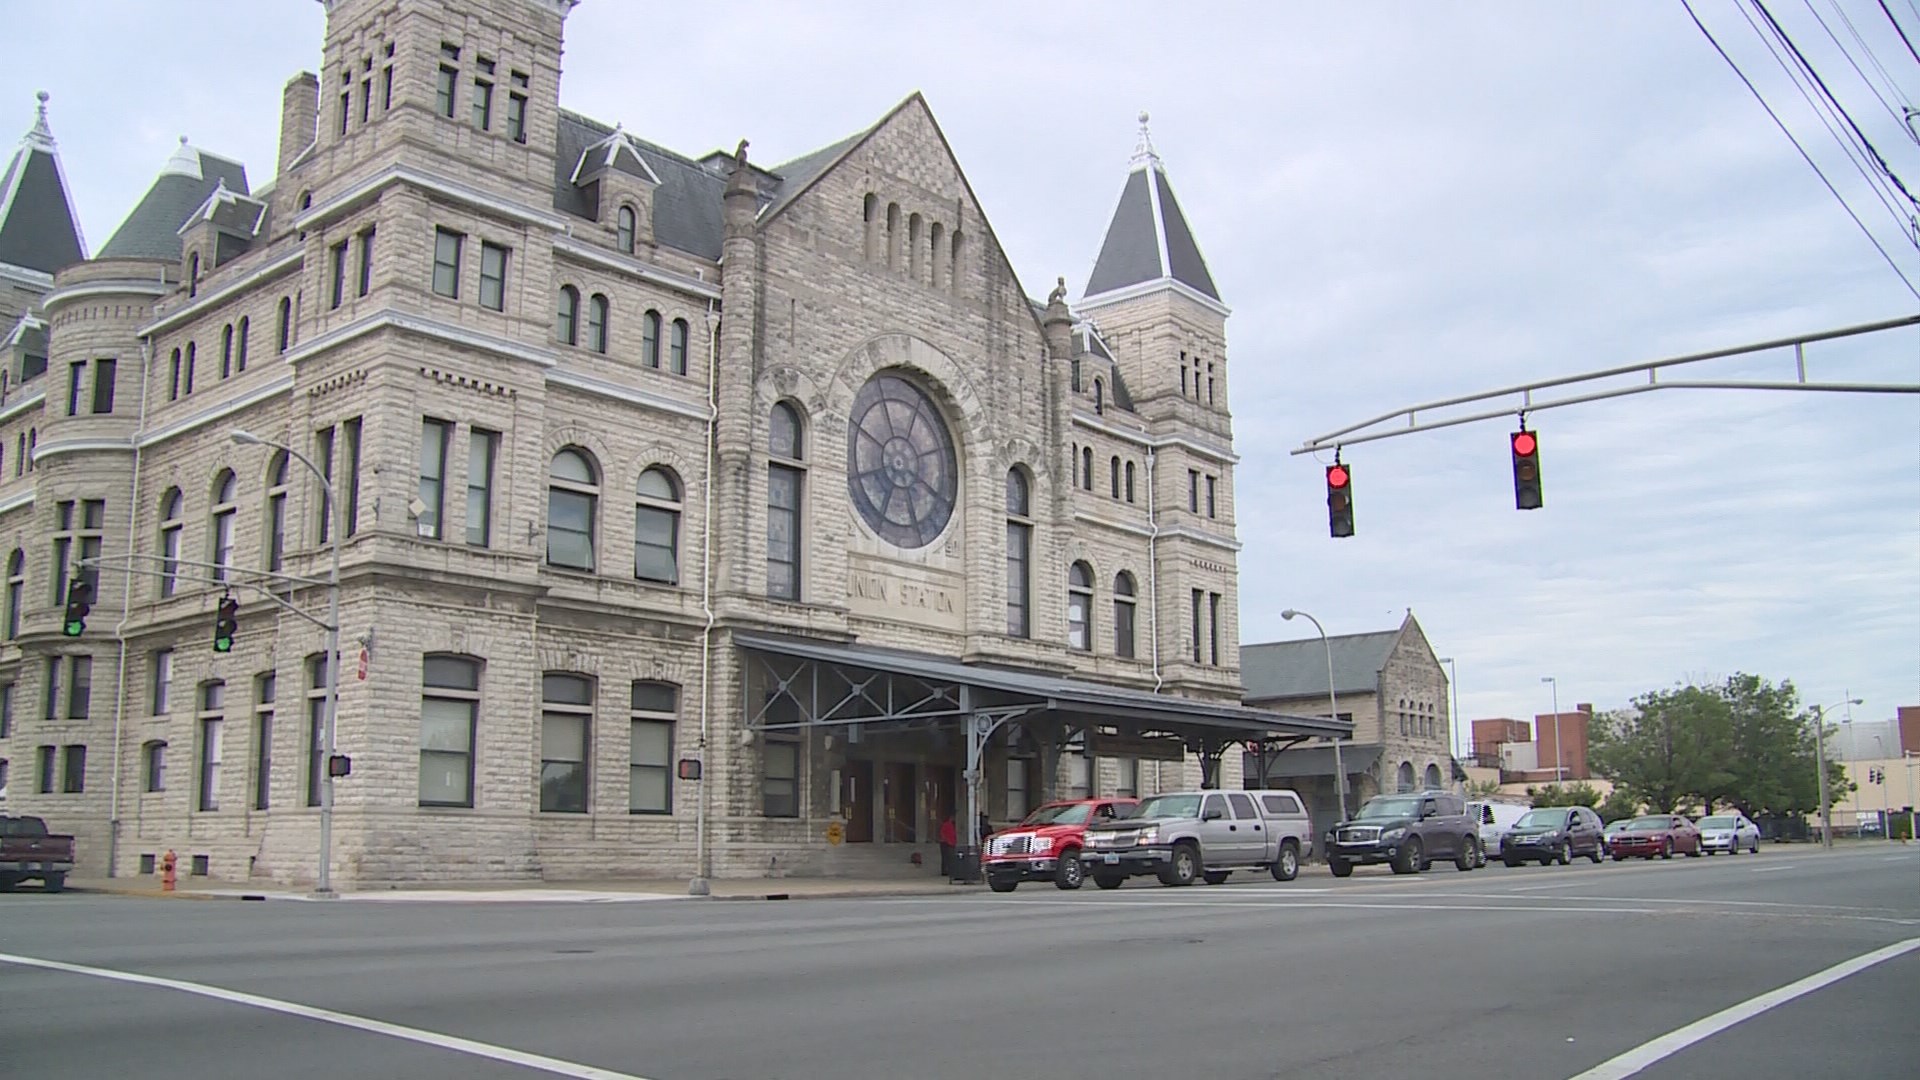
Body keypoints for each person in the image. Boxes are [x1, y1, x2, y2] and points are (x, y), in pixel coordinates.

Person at [938, 813, 957, 877]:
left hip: (949, 843)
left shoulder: (951, 825)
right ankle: (944, 871)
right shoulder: (947, 824)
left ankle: (947, 870)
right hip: (946, 843)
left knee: (948, 857)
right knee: (945, 857)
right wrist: (947, 841)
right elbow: (943, 834)